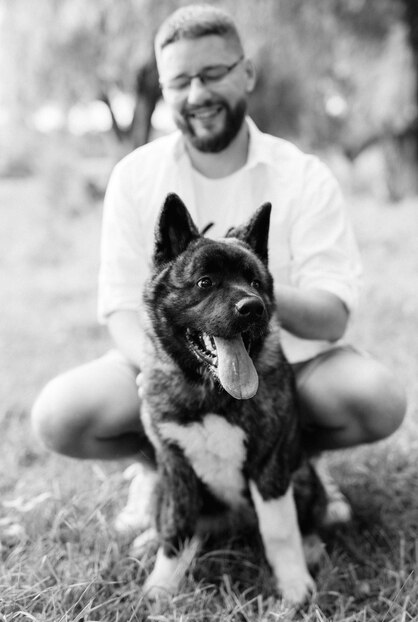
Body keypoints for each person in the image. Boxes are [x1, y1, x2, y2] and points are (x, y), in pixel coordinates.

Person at [31, 5, 406, 534]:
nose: (197, 94)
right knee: (60, 414)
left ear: (246, 72)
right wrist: (161, 373)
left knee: (377, 399)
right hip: (171, 365)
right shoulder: (136, 176)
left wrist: (246, 282)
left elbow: (333, 316)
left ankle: (290, 462)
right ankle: (168, 468)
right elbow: (119, 304)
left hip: (285, 370)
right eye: (179, 80)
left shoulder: (303, 175)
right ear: (163, 87)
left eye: (213, 73)